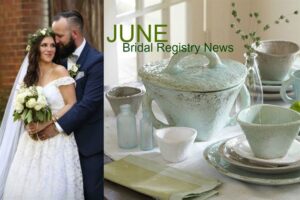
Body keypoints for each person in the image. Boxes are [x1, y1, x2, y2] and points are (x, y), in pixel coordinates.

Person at [3, 28, 84, 199]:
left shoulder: (60, 71)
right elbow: (21, 106)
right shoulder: (30, 75)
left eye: (52, 45)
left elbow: (72, 103)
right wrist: (28, 124)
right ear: (36, 49)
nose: (49, 49)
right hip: (31, 142)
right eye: (44, 45)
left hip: (56, 139)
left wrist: (47, 123)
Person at [37, 11, 103, 200]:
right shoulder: (60, 59)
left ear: (74, 33)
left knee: (91, 194)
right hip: (62, 150)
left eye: (59, 36)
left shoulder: (97, 62)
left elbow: (88, 105)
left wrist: (55, 128)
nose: (55, 41)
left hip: (88, 146)